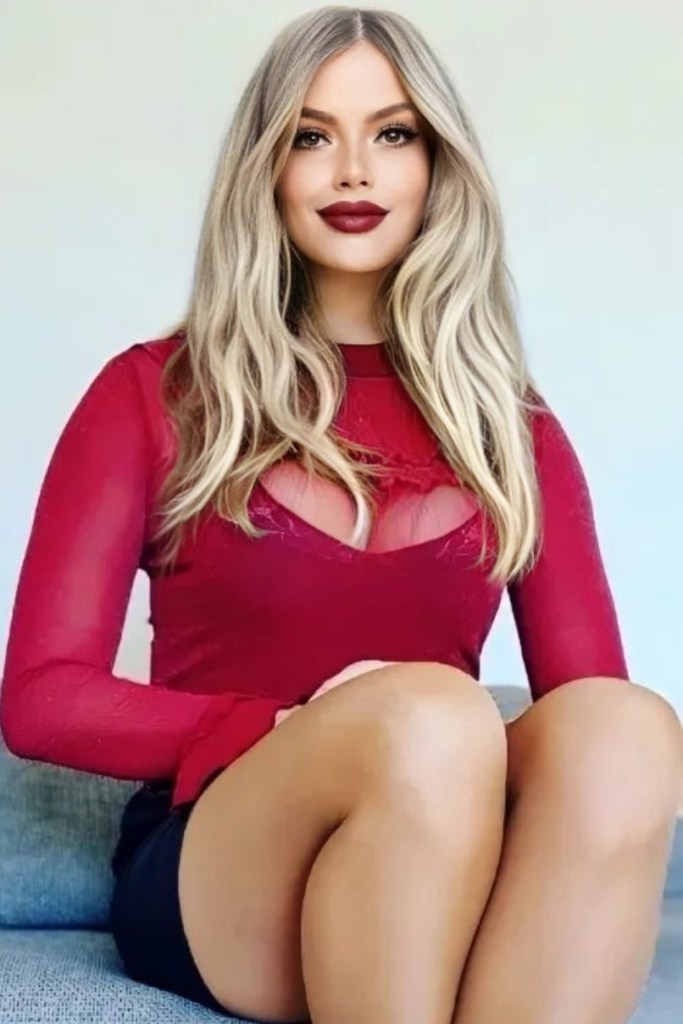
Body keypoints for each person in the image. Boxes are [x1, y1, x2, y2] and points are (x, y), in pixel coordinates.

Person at [2, 6, 681, 1024]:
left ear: (436, 167)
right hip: (224, 862)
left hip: (442, 847)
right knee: (429, 715)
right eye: (311, 137)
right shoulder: (151, 394)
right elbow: (42, 699)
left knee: (626, 727)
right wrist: (289, 727)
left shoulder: (513, 426)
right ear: (266, 170)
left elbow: (585, 727)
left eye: (392, 133)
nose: (353, 171)